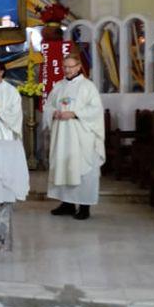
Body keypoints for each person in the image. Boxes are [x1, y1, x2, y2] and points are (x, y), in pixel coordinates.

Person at [43, 52, 105, 220]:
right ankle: (67, 204)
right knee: (64, 166)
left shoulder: (88, 86)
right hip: (62, 136)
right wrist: (53, 112)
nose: (67, 70)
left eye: (71, 67)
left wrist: (75, 113)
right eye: (65, 67)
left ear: (78, 67)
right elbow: (48, 106)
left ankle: (84, 207)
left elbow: (96, 110)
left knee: (82, 169)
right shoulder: (59, 86)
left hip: (81, 136)